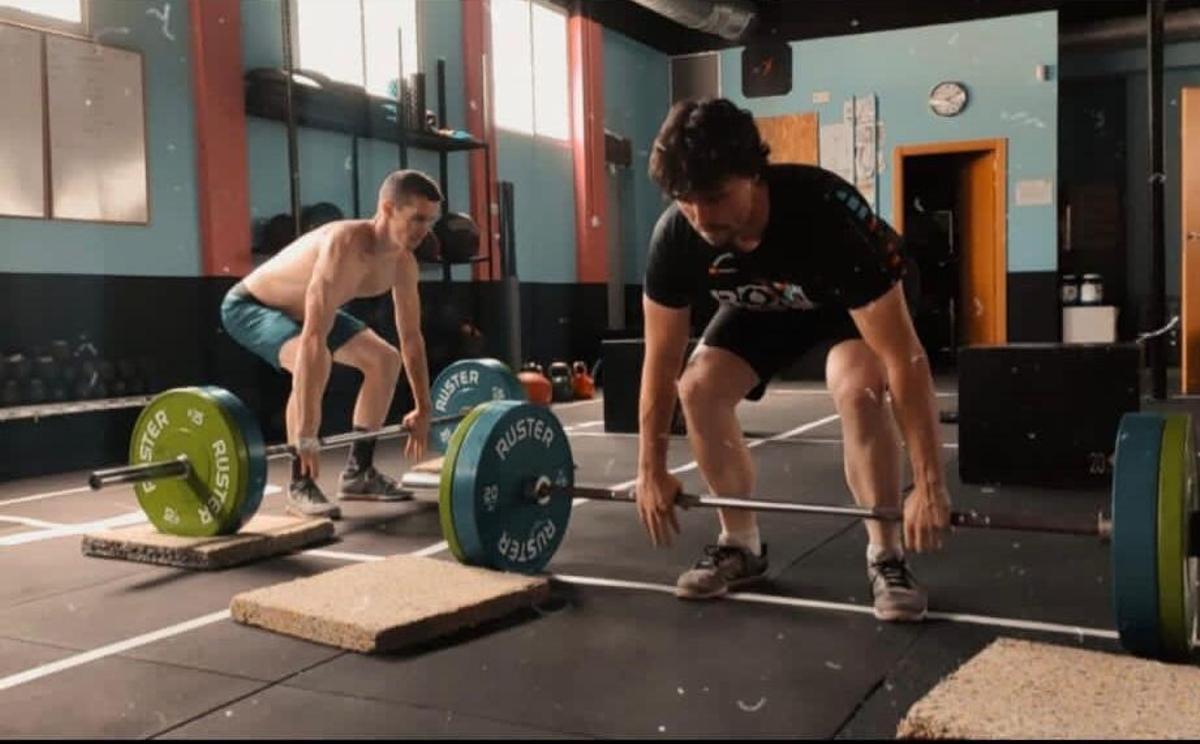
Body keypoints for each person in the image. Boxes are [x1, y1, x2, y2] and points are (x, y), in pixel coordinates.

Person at [634, 98, 950, 621]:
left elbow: (904, 359)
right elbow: (661, 361)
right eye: (686, 201)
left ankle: (886, 555)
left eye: (715, 197)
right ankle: (740, 545)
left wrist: (929, 483)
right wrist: (651, 469)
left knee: (859, 388)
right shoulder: (676, 237)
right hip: (768, 301)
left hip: (850, 301)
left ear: (753, 174)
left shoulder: (826, 216)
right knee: (697, 387)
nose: (701, 217)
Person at [221, 170, 440, 520]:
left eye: (429, 221)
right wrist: (306, 435)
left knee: (385, 360)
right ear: (387, 208)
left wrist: (424, 407)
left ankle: (359, 473)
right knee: (315, 357)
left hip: (304, 312)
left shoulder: (402, 264)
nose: (423, 230)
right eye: (416, 218)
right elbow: (312, 339)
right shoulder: (344, 244)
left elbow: (411, 337)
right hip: (253, 306)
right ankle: (301, 483)